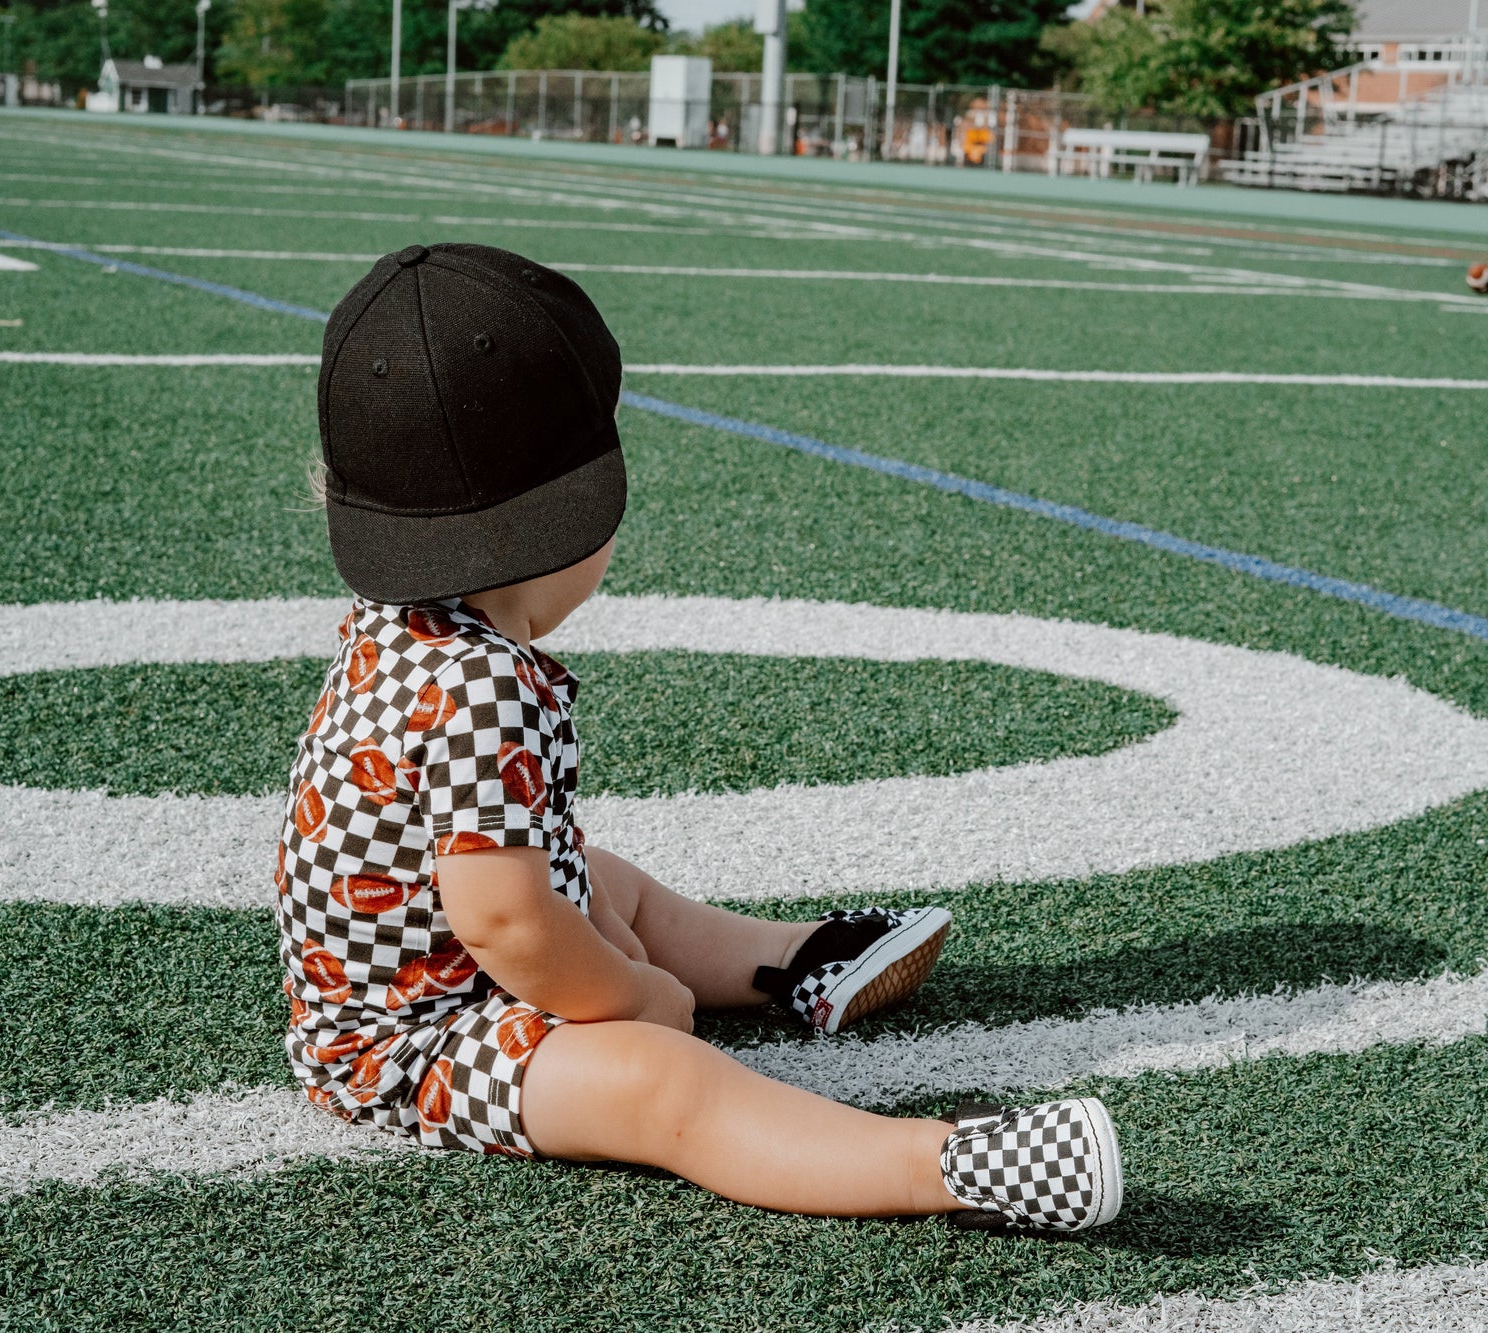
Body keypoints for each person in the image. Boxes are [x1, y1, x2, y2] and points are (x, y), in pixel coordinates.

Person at [279, 242, 1124, 1233]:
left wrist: (596, 932)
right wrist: (629, 992)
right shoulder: (480, 681)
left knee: (605, 878)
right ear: (560, 518)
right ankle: (947, 1165)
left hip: (448, 972)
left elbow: (500, 891)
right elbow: (503, 924)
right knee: (662, 1080)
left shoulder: (410, 630)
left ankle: (792, 960)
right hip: (415, 1044)